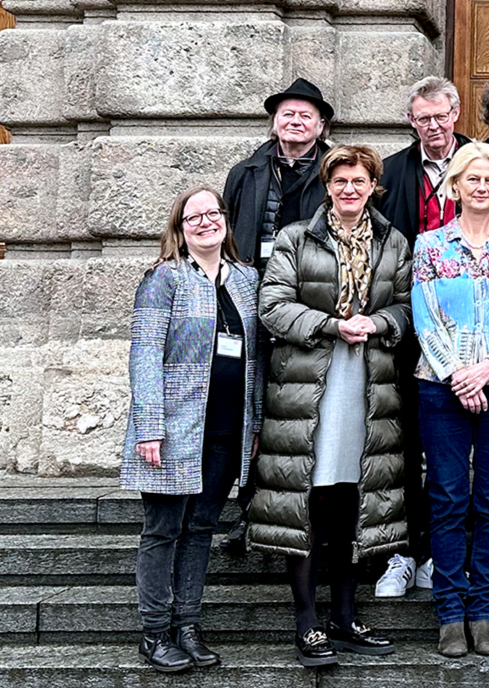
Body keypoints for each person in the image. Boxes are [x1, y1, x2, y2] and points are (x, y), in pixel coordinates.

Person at [250, 144, 413, 667]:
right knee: (308, 502)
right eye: (340, 181)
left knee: (351, 503)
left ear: (373, 187)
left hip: (369, 386)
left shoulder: (393, 241)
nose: (349, 189)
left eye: (359, 181)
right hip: (307, 388)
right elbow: (272, 306)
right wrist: (330, 325)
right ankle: (307, 622)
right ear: (327, 186)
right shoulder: (296, 238)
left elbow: (408, 307)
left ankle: (344, 618)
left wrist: (379, 322)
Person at [122, 187, 262, 673]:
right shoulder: (165, 278)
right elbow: (144, 353)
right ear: (180, 230)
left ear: (225, 219)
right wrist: (149, 426)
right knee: (163, 530)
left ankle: (187, 626)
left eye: (212, 212)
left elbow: (257, 359)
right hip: (174, 429)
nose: (206, 222)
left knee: (201, 529)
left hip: (226, 428)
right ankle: (155, 632)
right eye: (193, 216)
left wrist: (255, 422)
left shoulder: (246, 278)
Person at [413, 141, 489, 657]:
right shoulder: (429, 246)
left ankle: (483, 610)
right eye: (472, 178)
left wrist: (488, 369)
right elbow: (424, 317)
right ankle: (450, 612)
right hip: (440, 388)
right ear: (456, 185)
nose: (481, 187)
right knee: (447, 498)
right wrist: (458, 375)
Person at [218, 78, 333, 554]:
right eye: (288, 114)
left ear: (321, 125)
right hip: (252, 303)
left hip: (310, 307)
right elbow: (225, 234)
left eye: (306, 115)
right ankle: (250, 513)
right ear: (274, 121)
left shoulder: (334, 171)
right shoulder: (245, 172)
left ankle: (310, 519)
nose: (296, 122)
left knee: (306, 414)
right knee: (255, 413)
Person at [373, 75, 475, 599]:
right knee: (405, 443)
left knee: (455, 452)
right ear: (410, 121)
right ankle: (403, 552)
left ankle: (443, 551)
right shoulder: (390, 173)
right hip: (408, 331)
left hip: (473, 335)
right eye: (423, 118)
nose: (433, 126)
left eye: (441, 116)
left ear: (455, 114)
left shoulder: (481, 162)